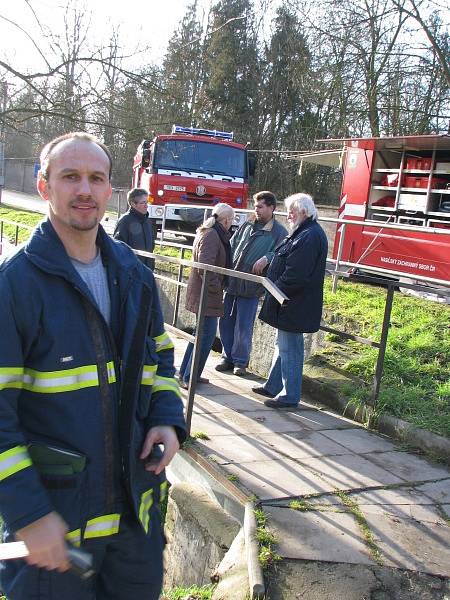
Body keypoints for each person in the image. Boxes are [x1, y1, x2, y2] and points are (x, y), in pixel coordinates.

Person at [0, 132, 186, 600]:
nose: (84, 189)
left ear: (110, 190)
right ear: (45, 187)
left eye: (95, 178)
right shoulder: (14, 286)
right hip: (55, 533)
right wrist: (28, 514)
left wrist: (166, 418)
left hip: (134, 528)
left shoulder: (133, 274)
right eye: (70, 177)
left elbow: (159, 354)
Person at [253, 193, 328, 408]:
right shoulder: (303, 232)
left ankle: (289, 395)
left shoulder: (309, 235)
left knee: (290, 348)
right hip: (289, 302)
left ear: (304, 212)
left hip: (293, 303)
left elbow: (296, 274)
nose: (288, 216)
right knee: (283, 345)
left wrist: (275, 290)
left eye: (291, 212)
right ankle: (274, 385)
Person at [216, 191, 287, 376]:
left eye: (260, 207)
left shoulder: (279, 232)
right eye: (255, 206)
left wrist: (267, 257)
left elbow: (282, 255)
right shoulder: (247, 224)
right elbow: (232, 243)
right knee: (225, 321)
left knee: (243, 326)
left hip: (251, 285)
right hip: (232, 280)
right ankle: (227, 357)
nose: (256, 210)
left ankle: (240, 362)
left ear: (272, 208)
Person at [178, 203, 235, 389]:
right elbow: (206, 267)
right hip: (207, 294)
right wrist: (217, 287)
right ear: (226, 220)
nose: (231, 224)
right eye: (231, 220)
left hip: (204, 293)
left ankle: (188, 373)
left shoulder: (210, 231)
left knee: (200, 335)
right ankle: (189, 376)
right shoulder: (212, 235)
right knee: (205, 337)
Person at [114, 187, 155, 269]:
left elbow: (152, 244)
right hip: (131, 272)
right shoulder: (125, 221)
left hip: (147, 271)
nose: (146, 206)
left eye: (147, 202)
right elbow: (118, 248)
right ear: (133, 204)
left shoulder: (147, 221)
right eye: (143, 203)